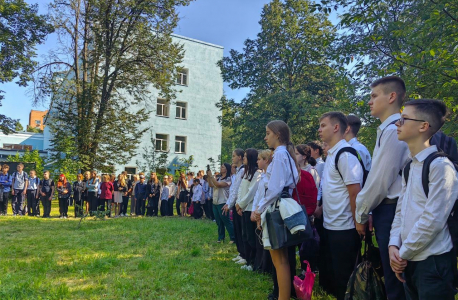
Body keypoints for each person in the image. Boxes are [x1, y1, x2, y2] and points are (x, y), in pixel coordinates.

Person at [389, 99, 458, 299]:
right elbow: (400, 211)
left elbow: (433, 220)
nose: (397, 124)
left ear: (423, 126)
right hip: (409, 258)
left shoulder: (441, 167)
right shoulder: (410, 166)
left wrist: (403, 253)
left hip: (433, 263)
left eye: (404, 119)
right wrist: (394, 244)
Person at [355, 76, 409, 300]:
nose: (370, 101)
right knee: (393, 272)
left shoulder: (394, 130)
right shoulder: (387, 130)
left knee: (397, 275)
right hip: (386, 209)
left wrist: (361, 212)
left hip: (392, 209)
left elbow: (379, 181)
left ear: (392, 96)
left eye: (374, 95)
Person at [318, 112, 364, 300]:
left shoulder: (346, 155)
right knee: (335, 277)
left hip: (345, 227)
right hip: (330, 225)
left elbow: (355, 192)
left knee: (345, 279)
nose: (319, 130)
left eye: (323, 125)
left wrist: (358, 223)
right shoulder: (332, 154)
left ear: (336, 127)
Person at [253, 120, 299, 300]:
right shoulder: (284, 154)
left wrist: (259, 208)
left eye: (268, 133)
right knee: (282, 260)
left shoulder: (280, 155)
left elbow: (275, 188)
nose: (265, 137)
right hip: (280, 205)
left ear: (277, 134)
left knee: (280, 260)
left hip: (275, 207)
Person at [236, 148, 263, 272]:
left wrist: (241, 204)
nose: (244, 158)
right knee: (245, 236)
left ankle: (253, 262)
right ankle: (247, 259)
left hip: (250, 207)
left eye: (246, 156)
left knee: (251, 238)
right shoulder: (246, 172)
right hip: (244, 207)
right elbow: (241, 189)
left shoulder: (257, 173)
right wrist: (238, 203)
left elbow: (251, 192)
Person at [251, 150, 273, 274]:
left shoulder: (269, 177)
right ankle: (260, 265)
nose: (257, 161)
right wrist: (254, 210)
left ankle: (266, 267)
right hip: (258, 210)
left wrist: (258, 211)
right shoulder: (262, 176)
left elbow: (267, 196)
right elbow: (257, 195)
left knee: (266, 239)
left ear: (266, 160)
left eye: (259, 159)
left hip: (265, 211)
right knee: (260, 239)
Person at [223, 149, 246, 265]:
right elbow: (232, 190)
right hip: (235, 203)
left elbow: (237, 190)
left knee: (241, 230)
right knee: (237, 229)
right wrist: (228, 203)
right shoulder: (238, 171)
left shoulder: (243, 171)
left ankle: (244, 254)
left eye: (234, 156)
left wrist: (230, 204)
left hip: (239, 204)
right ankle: (241, 252)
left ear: (240, 157)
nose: (232, 158)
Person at [207, 163, 234, 243]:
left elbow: (218, 185)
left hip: (223, 202)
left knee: (226, 220)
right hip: (215, 202)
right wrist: (209, 177)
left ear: (227, 169)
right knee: (219, 221)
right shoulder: (218, 178)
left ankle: (233, 238)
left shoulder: (228, 179)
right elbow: (211, 185)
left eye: (223, 167)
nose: (221, 168)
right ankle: (221, 237)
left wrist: (211, 176)